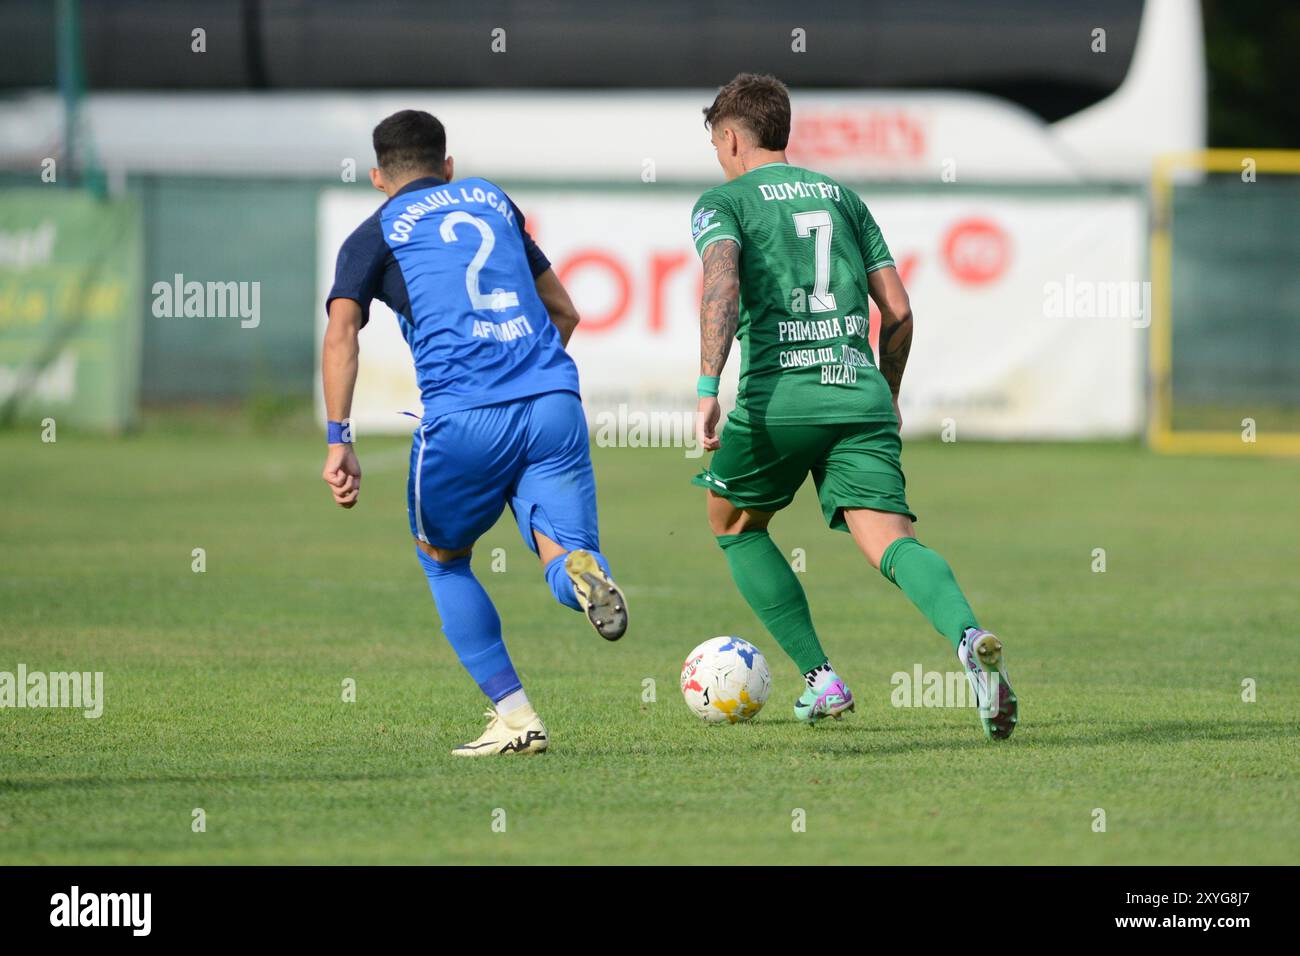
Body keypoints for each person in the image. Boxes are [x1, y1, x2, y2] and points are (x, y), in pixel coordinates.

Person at [689, 75, 1017, 738]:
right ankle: (967, 637)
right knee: (892, 542)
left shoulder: (722, 202)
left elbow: (722, 283)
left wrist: (706, 389)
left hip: (779, 396)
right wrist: (886, 395)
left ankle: (822, 679)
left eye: (716, 146)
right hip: (858, 391)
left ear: (730, 138)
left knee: (734, 524)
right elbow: (897, 311)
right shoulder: (842, 197)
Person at [321, 109, 627, 756]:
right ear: (448, 166)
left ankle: (517, 717)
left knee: (442, 559)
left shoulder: (371, 235)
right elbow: (565, 310)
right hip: (552, 401)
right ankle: (581, 572)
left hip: (464, 417)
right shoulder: (492, 199)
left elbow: (342, 333)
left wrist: (337, 437)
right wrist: (530, 378)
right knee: (559, 548)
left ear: (378, 176)